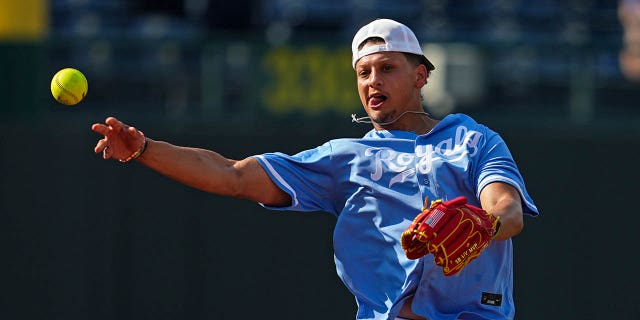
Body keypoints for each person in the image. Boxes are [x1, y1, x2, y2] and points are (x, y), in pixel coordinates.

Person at [92, 18, 538, 320]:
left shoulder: (473, 139)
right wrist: (145, 149)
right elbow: (234, 175)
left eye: (387, 68)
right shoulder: (345, 158)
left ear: (421, 75)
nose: (372, 82)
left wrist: (481, 223)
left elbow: (507, 209)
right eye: (363, 73)